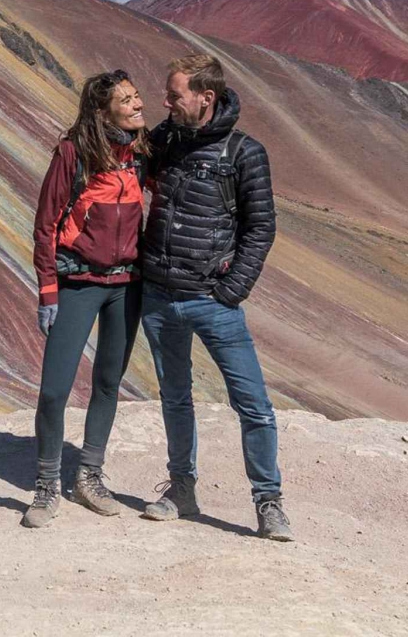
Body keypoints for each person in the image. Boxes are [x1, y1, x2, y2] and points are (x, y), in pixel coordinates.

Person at [137, 53, 292, 542]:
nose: (166, 103)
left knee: (252, 403)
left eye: (175, 96)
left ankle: (269, 502)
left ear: (206, 98)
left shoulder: (244, 153)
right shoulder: (168, 143)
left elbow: (261, 226)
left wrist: (231, 291)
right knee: (174, 399)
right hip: (159, 296)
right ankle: (182, 489)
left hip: (212, 300)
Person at [24, 69, 148, 528]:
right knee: (55, 390)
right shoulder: (73, 153)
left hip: (126, 285)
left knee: (108, 383)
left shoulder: (139, 152)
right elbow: (45, 223)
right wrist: (48, 289)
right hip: (77, 284)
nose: (138, 105)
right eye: (127, 100)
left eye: (138, 97)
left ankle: (89, 476)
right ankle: (46, 484)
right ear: (102, 109)